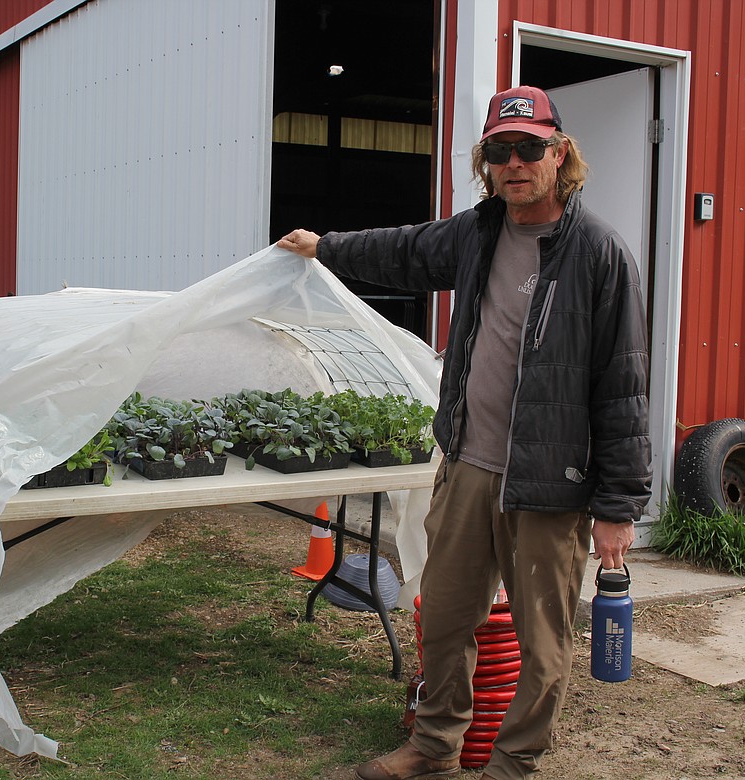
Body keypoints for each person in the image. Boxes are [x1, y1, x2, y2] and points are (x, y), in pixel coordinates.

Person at [277, 85, 652, 780]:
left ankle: (513, 763)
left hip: (550, 487)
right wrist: (323, 247)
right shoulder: (478, 234)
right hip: (469, 468)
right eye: (499, 150)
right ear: (487, 162)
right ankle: (434, 747)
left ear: (559, 154)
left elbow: (623, 391)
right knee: (446, 619)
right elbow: (401, 250)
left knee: (543, 647)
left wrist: (618, 508)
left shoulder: (601, 255)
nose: (514, 162)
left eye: (529, 148)